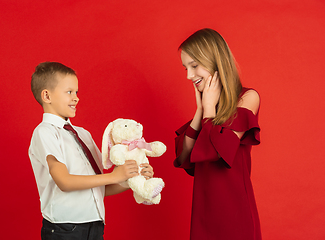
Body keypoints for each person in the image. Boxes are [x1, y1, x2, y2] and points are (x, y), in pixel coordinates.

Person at [28, 62, 154, 240]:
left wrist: (131, 177)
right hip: (65, 229)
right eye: (69, 92)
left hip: (94, 227)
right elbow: (64, 181)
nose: (76, 98)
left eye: (76, 92)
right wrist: (114, 176)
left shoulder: (83, 134)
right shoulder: (45, 132)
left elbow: (98, 187)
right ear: (47, 96)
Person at [174, 28, 262, 240]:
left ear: (214, 61)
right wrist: (200, 111)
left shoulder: (247, 98)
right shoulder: (206, 110)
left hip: (235, 211)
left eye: (194, 66)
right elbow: (184, 157)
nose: (189, 75)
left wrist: (209, 109)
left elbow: (217, 149)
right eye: (185, 68)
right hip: (203, 212)